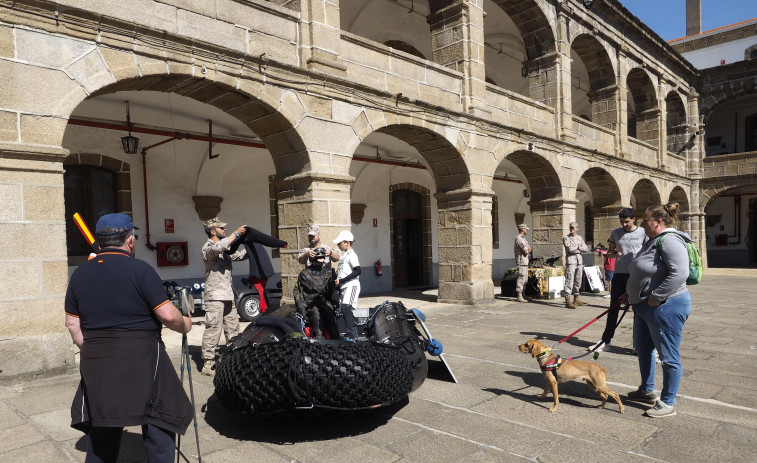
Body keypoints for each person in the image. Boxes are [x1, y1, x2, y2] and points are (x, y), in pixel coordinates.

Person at [65, 213, 193, 463]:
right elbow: (167, 315)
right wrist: (185, 325)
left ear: (101, 242)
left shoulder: (79, 274)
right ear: (130, 241)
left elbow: (72, 323)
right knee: (159, 418)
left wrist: (94, 348)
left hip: (97, 359)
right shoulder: (141, 270)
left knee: (104, 425)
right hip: (142, 357)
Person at [621, 203, 692, 418]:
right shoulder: (653, 241)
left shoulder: (670, 241)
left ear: (657, 222)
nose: (641, 224)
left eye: (645, 220)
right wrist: (630, 294)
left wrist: (655, 297)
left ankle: (668, 401)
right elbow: (644, 272)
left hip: (665, 306)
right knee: (644, 349)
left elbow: (680, 273)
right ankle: (646, 389)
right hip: (644, 305)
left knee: (668, 356)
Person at [588, 208, 646, 352]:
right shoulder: (616, 233)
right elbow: (609, 253)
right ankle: (605, 341)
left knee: (638, 311)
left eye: (626, 221)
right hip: (619, 274)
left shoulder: (643, 233)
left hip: (636, 275)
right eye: (621, 222)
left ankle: (638, 345)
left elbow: (648, 253)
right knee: (613, 309)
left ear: (633, 219)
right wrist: (614, 253)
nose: (624, 224)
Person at [201, 217, 248, 376]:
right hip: (215, 295)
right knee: (213, 327)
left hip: (228, 293)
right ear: (213, 231)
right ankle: (208, 363)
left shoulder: (225, 250)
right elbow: (219, 246)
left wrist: (252, 246)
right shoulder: (208, 248)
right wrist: (237, 233)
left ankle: (232, 359)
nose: (225, 230)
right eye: (222, 228)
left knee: (233, 328)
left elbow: (239, 256)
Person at [333, 230, 361, 340]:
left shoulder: (352, 255)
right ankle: (350, 332)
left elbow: (357, 270)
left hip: (351, 285)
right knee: (344, 309)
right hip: (344, 286)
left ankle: (352, 334)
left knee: (345, 308)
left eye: (340, 243)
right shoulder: (345, 256)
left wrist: (342, 280)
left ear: (347, 243)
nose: (338, 245)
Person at [562, 222, 589, 309]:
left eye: (573, 228)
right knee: (569, 280)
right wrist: (579, 248)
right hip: (571, 262)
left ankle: (576, 298)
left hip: (579, 262)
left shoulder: (579, 238)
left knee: (578, 280)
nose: (572, 229)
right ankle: (567, 299)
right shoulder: (566, 238)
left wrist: (577, 248)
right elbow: (570, 249)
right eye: (571, 228)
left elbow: (586, 249)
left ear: (577, 229)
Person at [513, 223, 531, 302]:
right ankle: (519, 296)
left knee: (525, 279)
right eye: (526, 229)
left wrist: (528, 249)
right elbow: (526, 251)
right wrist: (529, 249)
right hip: (521, 262)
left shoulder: (523, 239)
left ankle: (523, 294)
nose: (526, 230)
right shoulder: (519, 239)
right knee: (521, 279)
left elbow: (528, 249)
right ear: (522, 229)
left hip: (525, 262)